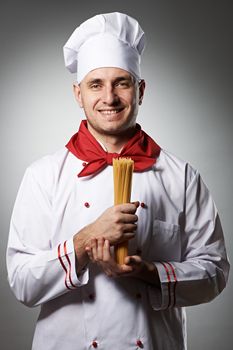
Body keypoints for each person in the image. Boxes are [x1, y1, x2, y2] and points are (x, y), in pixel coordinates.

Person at [7, 12, 229, 350]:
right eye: (95, 84)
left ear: (140, 90)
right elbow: (22, 283)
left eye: (121, 83)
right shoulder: (43, 175)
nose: (109, 98)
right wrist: (85, 241)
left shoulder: (181, 176)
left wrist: (149, 272)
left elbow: (215, 273)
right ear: (77, 94)